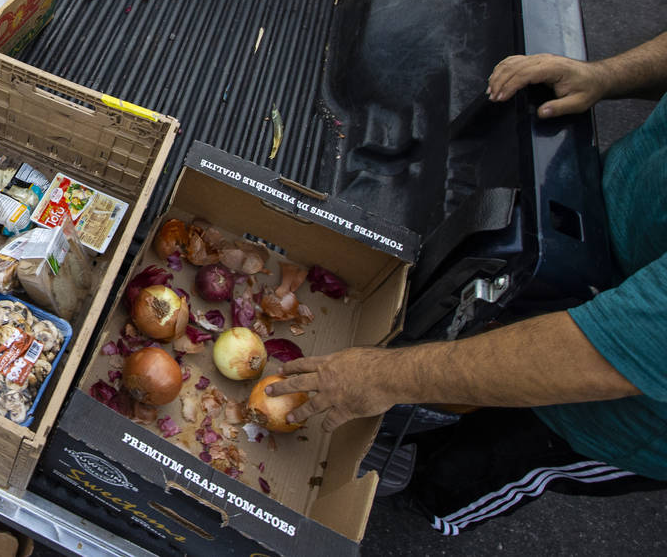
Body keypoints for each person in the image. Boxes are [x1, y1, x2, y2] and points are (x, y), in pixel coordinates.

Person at [267, 31, 667, 534]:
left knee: (475, 467)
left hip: (618, 407)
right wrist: (607, 74)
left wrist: (384, 377)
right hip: (582, 238)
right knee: (448, 373)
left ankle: (427, 507)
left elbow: (609, 351)